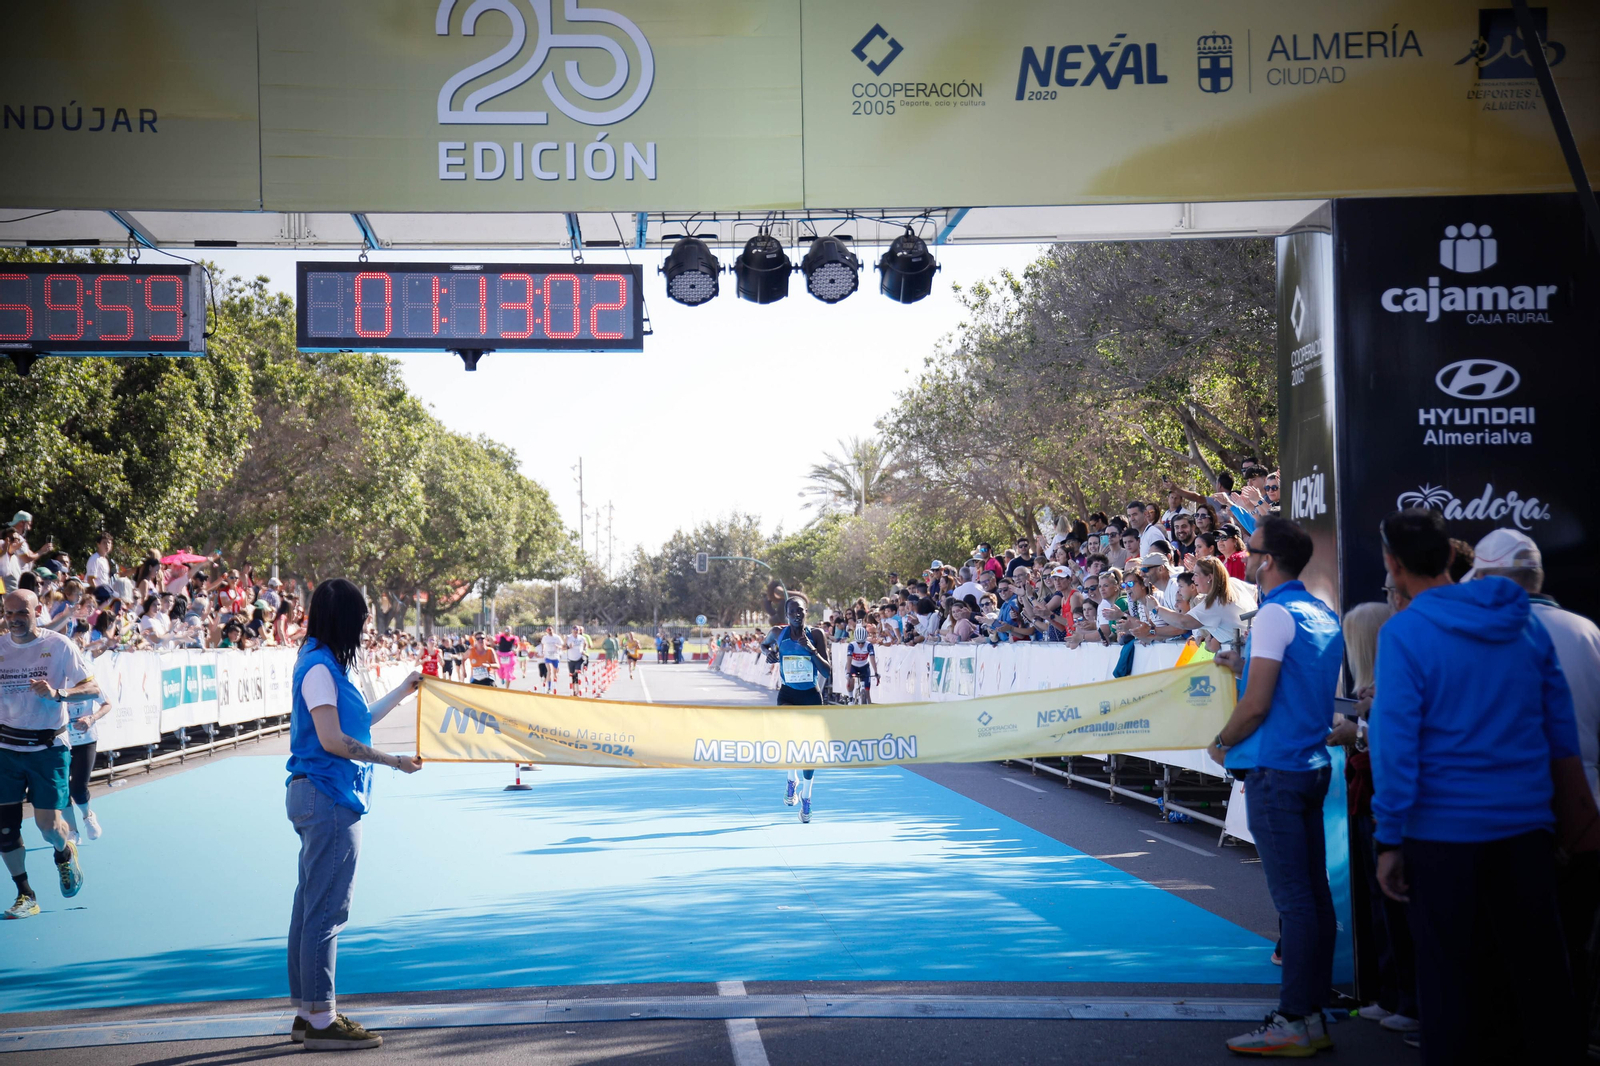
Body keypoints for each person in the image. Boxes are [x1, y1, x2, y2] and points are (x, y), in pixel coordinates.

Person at [1371, 510, 1593, 1066]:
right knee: (1541, 986)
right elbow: (1560, 734)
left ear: (1393, 566)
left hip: (1441, 839)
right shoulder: (1524, 625)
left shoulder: (1404, 632)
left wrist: (1389, 838)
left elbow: (1395, 745)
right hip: (1527, 833)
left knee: (1451, 990)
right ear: (1451, 555)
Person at [1205, 518, 1344, 1056]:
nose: (1244, 557)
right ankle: (1310, 1016)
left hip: (1277, 769)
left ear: (1268, 560)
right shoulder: (1320, 612)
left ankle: (1294, 1019)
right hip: (1310, 765)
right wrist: (1241, 664)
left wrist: (1221, 741)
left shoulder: (1274, 614)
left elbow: (1257, 705)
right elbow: (1293, 682)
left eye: (1251, 549)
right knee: (1313, 897)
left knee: (1295, 903)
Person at [285, 578, 422, 1049]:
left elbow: (356, 723)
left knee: (310, 906)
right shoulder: (320, 668)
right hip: (328, 795)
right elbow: (333, 740)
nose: (364, 628)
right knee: (326, 910)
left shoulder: (320, 662)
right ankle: (322, 1019)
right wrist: (393, 761)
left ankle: (307, 1012)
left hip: (317, 794)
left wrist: (402, 690)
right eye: (361, 619)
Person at [1, 588, 100, 920]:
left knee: (49, 827)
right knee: (5, 829)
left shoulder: (59, 646)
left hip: (48, 749)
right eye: (8, 613)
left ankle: (63, 852)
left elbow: (93, 688)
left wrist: (59, 693)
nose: (14, 620)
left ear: (38, 610)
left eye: (21, 613)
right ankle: (25, 895)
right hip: (5, 749)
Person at [762, 599, 832, 823]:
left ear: (806, 612)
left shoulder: (816, 634)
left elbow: (827, 672)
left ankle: (806, 796)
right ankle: (792, 778)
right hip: (788, 695)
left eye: (800, 611)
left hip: (811, 696)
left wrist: (811, 650)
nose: (796, 615)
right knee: (790, 738)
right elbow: (764, 645)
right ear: (787, 614)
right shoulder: (778, 633)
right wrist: (769, 653)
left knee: (809, 751)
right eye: (792, 612)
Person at [62, 690, 112, 844]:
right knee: (62, 789)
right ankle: (72, 831)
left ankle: (87, 815)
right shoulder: (52, 680)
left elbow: (107, 704)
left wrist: (92, 718)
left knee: (78, 788)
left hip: (85, 741)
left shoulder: (88, 683)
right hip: (60, 742)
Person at [844, 624, 879, 703]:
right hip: (853, 666)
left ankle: (868, 706)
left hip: (864, 666)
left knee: (867, 691)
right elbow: (849, 659)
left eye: (862, 643)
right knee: (851, 680)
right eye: (858, 643)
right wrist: (848, 672)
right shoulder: (851, 645)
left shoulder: (869, 645)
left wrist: (876, 672)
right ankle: (850, 698)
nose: (860, 645)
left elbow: (872, 658)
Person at [538, 626, 562, 693]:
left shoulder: (557, 637)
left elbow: (562, 646)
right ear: (547, 631)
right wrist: (543, 650)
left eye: (550, 630)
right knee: (549, 671)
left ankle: (554, 685)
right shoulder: (545, 638)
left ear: (553, 630)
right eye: (548, 630)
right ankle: (549, 687)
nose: (550, 631)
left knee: (555, 673)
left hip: (555, 656)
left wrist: (558, 646)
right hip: (548, 657)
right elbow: (543, 644)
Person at [565, 625, 587, 693]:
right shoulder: (568, 637)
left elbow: (585, 644)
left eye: (577, 630)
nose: (575, 631)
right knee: (573, 675)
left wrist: (584, 650)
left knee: (577, 673)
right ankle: (574, 691)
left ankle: (578, 690)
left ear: (579, 631)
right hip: (571, 659)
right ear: (572, 630)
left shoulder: (582, 638)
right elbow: (563, 647)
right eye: (574, 630)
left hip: (579, 659)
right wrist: (568, 647)